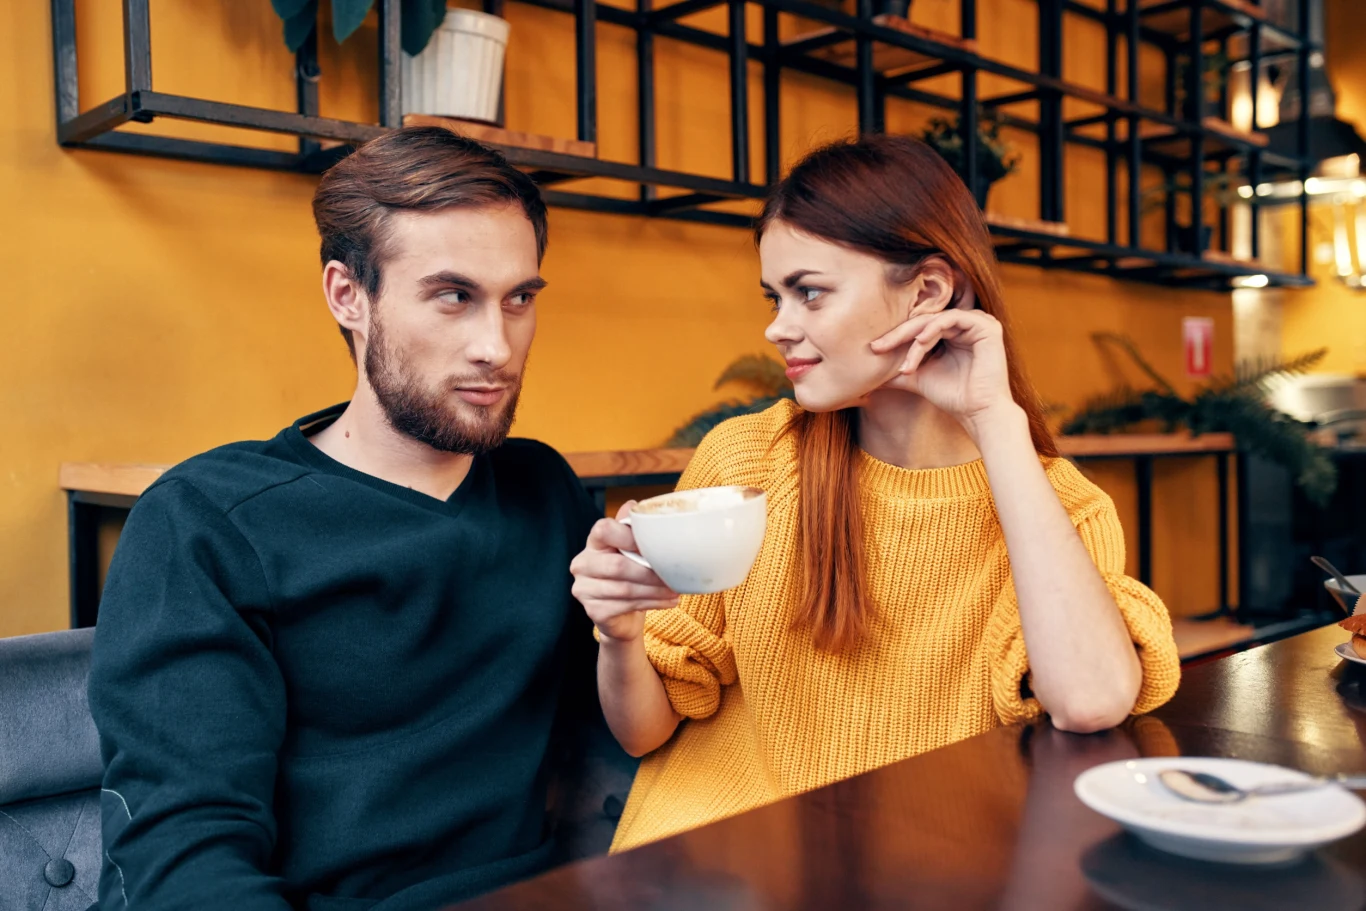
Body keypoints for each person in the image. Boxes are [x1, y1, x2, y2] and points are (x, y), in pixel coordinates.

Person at [570, 135, 1182, 852]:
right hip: (707, 868)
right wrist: (621, 633)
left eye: (810, 291)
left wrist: (995, 422)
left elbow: (1089, 702)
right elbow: (644, 732)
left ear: (927, 291)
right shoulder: (747, 461)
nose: (777, 326)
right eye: (774, 296)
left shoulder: (1055, 505)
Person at [89, 127, 612, 911]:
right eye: (453, 295)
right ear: (347, 295)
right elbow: (183, 854)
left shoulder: (544, 489)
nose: (496, 347)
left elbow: (622, 730)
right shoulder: (207, 521)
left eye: (520, 299)